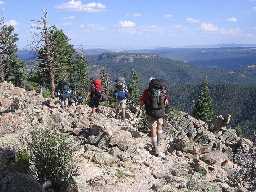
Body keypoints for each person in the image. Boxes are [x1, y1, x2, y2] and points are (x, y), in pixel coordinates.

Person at [140, 77, 169, 156]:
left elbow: (142, 102)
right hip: (160, 113)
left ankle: (155, 147)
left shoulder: (147, 92)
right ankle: (158, 143)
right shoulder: (163, 91)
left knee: (153, 128)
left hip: (151, 113)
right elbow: (166, 102)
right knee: (160, 127)